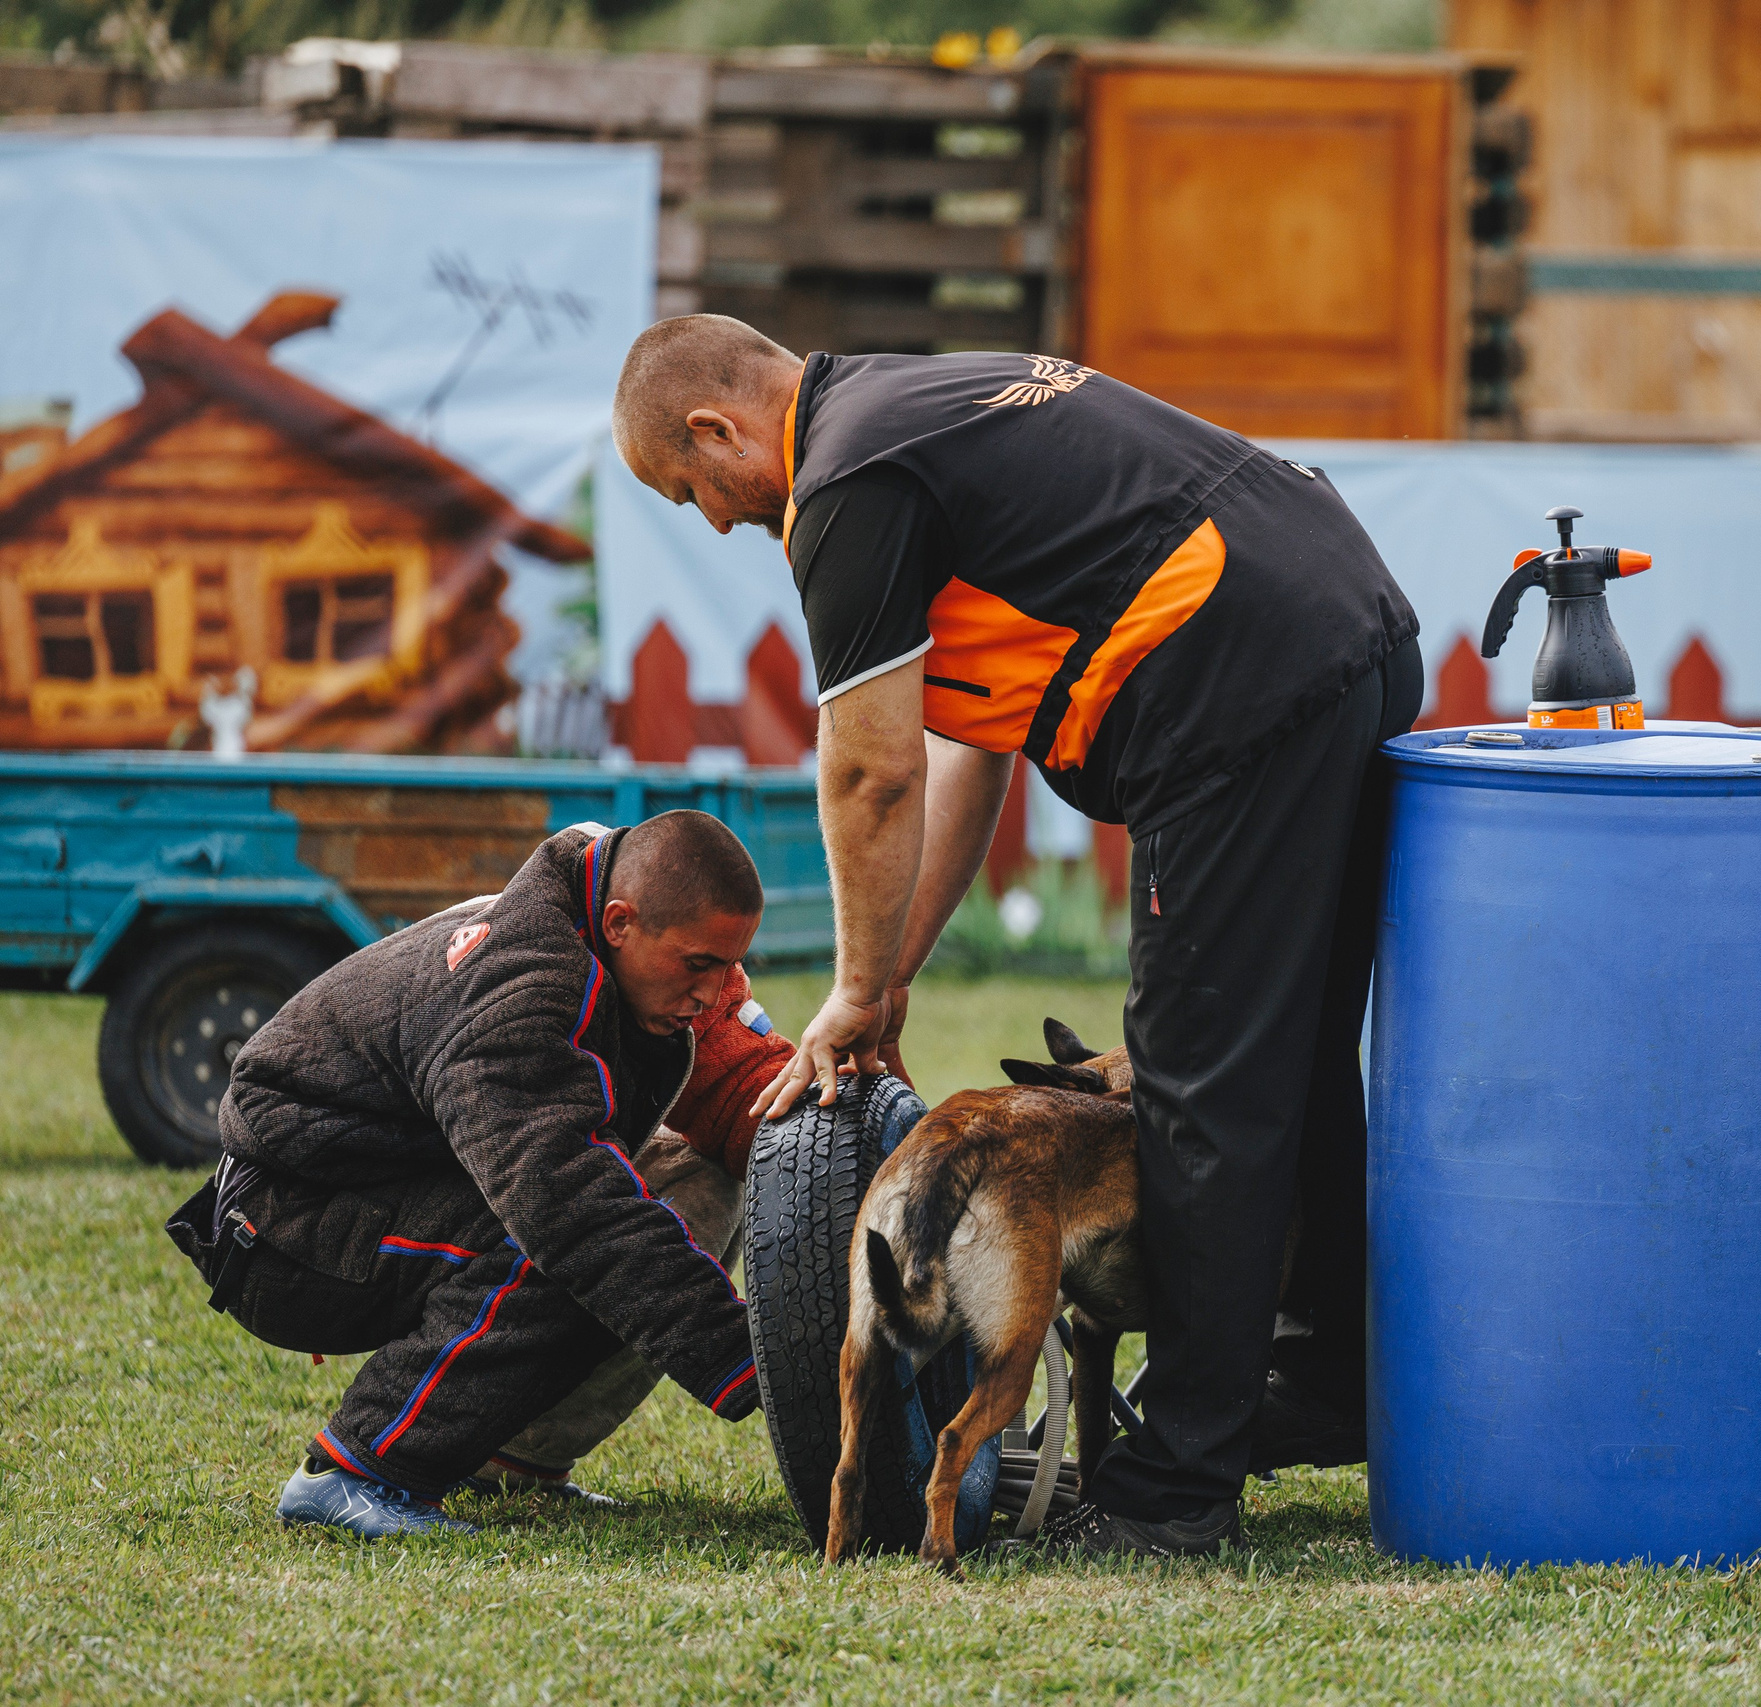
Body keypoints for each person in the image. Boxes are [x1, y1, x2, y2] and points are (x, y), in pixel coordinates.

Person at [611, 317, 1421, 1558]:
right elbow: (965, 756)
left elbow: (872, 772)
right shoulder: (904, 409)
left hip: (1236, 674)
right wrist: (890, 980)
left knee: (1197, 1080)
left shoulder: (845, 483)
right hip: (1344, 623)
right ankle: (1324, 1374)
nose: (714, 522)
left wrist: (844, 988)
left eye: (690, 489)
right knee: (1295, 1050)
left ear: (715, 429)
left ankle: (1174, 1491)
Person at [165, 811, 796, 1537]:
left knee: (690, 1180)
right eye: (699, 966)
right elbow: (566, 1206)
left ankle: (511, 1462)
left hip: (389, 1184)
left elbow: (742, 1085)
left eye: (729, 967)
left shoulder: (606, 918)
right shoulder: (521, 983)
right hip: (286, 1225)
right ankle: (357, 1473)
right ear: (620, 923)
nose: (714, 993)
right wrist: (755, 1361)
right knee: (565, 1234)